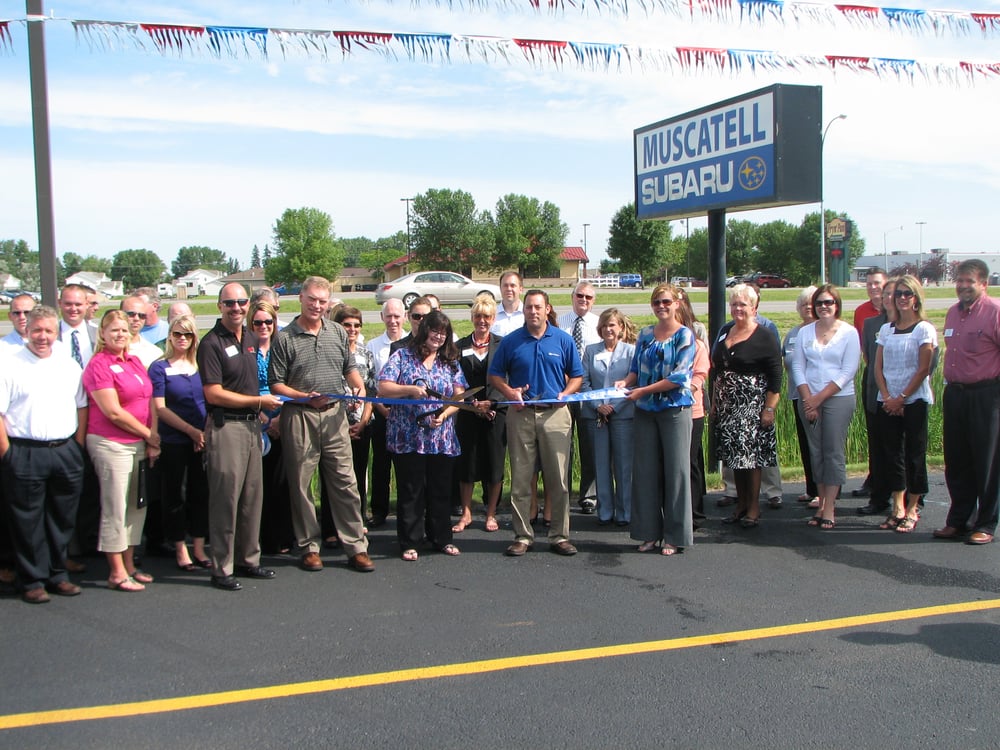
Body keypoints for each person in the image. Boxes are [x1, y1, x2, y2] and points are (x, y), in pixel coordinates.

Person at [268, 276, 374, 573]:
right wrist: (302, 398)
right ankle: (309, 547)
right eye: (312, 299)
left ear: (329, 303)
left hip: (334, 416)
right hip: (299, 417)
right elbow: (275, 384)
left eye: (322, 301)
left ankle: (356, 546)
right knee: (302, 485)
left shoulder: (338, 332)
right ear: (300, 298)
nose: (317, 305)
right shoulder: (284, 338)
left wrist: (358, 389)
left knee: (346, 482)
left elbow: (350, 370)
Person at [0, 306, 88, 603]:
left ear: (56, 333)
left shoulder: (68, 365)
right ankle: (32, 580)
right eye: (37, 330)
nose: (42, 336)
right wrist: (8, 455)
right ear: (26, 330)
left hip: (64, 450)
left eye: (49, 331)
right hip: (25, 451)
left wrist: (76, 445)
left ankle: (57, 574)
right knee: (28, 521)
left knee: (62, 518)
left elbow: (82, 406)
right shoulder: (9, 364)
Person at [198, 283, 282, 591]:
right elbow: (213, 392)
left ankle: (250, 559)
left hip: (251, 428)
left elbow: (251, 384)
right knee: (226, 500)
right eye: (229, 302)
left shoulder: (249, 338)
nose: (236, 307)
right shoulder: (211, 343)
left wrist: (258, 408)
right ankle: (222, 568)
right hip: (227, 427)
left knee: (251, 498)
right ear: (220, 306)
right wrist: (257, 403)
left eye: (241, 302)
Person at [489, 289, 583, 557]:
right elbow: (495, 376)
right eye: (529, 307)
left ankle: (559, 535)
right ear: (525, 310)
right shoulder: (511, 342)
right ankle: (522, 535)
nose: (533, 311)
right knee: (520, 478)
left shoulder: (563, 340)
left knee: (559, 479)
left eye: (538, 307)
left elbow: (577, 375)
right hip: (521, 415)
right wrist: (510, 392)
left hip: (556, 415)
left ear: (547, 309)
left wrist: (567, 392)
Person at [378, 309, 468, 560]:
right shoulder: (403, 356)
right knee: (411, 490)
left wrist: (445, 413)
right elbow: (383, 386)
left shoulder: (449, 361)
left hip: (441, 437)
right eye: (434, 330)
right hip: (408, 436)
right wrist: (410, 390)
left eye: (443, 333)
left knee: (440, 490)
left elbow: (459, 396)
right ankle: (410, 541)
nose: (438, 337)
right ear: (424, 330)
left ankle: (441, 538)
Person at [82, 310, 160, 592]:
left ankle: (129, 565)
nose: (120, 335)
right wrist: (149, 435)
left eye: (124, 330)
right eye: (114, 330)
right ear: (102, 333)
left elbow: (149, 399)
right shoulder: (98, 365)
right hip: (110, 443)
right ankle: (116, 572)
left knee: (135, 507)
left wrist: (151, 439)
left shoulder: (135, 361)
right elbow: (113, 412)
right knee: (115, 508)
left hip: (139, 443)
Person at [617, 285, 695, 553]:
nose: (661, 306)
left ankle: (674, 536)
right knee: (645, 473)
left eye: (665, 301)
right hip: (645, 412)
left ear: (676, 303)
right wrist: (625, 382)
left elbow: (679, 377)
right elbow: (636, 369)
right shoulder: (645, 334)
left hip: (675, 411)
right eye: (656, 302)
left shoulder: (685, 335)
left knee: (676, 473)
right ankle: (648, 532)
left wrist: (643, 391)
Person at [934, 259, 1000, 545]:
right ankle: (958, 520)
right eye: (959, 280)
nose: (962, 286)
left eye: (969, 281)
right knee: (957, 460)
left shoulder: (994, 313)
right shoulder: (952, 313)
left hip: (986, 396)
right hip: (956, 395)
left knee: (986, 462)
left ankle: (985, 523)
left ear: (983, 284)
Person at [711, 283, 782, 529]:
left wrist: (769, 408)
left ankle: (753, 508)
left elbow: (776, 377)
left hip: (752, 407)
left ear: (754, 307)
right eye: (734, 304)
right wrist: (714, 403)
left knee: (750, 460)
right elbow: (717, 370)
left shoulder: (765, 335)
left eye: (743, 304)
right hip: (727, 406)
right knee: (734, 459)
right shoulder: (726, 331)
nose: (738, 308)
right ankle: (740, 505)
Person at [790, 285, 861, 531]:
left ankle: (830, 506)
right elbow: (798, 367)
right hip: (808, 398)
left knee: (832, 451)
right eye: (819, 302)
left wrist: (819, 399)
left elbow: (848, 371)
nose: (823, 307)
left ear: (837, 305)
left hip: (837, 398)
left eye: (828, 302)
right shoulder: (805, 333)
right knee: (816, 451)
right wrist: (808, 399)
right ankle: (820, 502)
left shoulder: (849, 333)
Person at [873, 275, 936, 534]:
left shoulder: (924, 329)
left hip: (914, 400)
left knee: (914, 453)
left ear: (916, 297)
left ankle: (912, 507)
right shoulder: (887, 330)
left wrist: (903, 397)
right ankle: (897, 506)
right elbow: (877, 367)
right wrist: (888, 396)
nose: (901, 299)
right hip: (888, 401)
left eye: (907, 294)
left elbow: (923, 368)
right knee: (892, 454)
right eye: (898, 294)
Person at [148, 314, 211, 570]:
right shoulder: (159, 367)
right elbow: (160, 408)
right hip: (174, 440)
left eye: (187, 334)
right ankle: (180, 547)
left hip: (202, 439)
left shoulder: (200, 366)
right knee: (175, 494)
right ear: (169, 337)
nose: (182, 339)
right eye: (177, 334)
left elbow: (209, 400)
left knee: (201, 493)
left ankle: (198, 546)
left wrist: (202, 432)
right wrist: (190, 431)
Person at [320, 305, 375, 546]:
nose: (352, 329)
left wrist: (362, 423)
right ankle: (330, 528)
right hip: (333, 425)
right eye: (347, 324)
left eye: (356, 325)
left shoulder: (366, 354)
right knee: (332, 477)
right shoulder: (329, 352)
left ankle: (357, 522)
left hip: (360, 425)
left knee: (357, 476)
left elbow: (371, 393)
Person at [453, 295, 506, 533]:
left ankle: (491, 513)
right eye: (477, 316)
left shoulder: (502, 345)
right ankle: (466, 513)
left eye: (486, 316)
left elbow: (507, 378)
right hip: (467, 413)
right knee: (467, 464)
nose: (481, 321)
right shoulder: (459, 346)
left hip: (496, 414)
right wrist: (473, 403)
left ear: (493, 319)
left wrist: (491, 404)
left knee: (494, 464)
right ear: (472, 318)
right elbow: (456, 380)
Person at [581, 308, 636, 527]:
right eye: (604, 325)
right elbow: (584, 382)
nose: (608, 329)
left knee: (623, 466)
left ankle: (625, 512)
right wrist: (598, 406)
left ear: (621, 328)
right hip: (597, 416)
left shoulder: (631, 351)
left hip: (623, 414)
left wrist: (614, 406)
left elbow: (635, 383)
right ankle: (605, 511)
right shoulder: (591, 351)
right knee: (601, 464)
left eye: (612, 325)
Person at [250, 300, 294, 555]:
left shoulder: (282, 347)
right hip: (253, 421)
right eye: (258, 322)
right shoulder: (246, 350)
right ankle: (259, 538)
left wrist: (279, 419)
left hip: (284, 418)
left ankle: (283, 536)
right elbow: (239, 384)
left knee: (283, 481)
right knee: (259, 483)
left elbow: (294, 382)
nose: (264, 326)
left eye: (269, 322)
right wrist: (260, 416)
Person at [558, 281, 600, 514]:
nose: (583, 300)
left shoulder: (598, 324)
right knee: (563, 444)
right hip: (563, 390)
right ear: (572, 296)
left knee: (589, 444)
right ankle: (561, 492)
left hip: (588, 391)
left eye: (588, 297)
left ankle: (589, 495)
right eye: (580, 296)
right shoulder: (559, 323)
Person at [857, 278, 897, 516]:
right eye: (886, 294)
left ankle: (911, 498)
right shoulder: (871, 325)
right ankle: (879, 497)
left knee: (902, 450)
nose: (889, 298)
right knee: (878, 446)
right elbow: (869, 358)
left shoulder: (917, 325)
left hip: (904, 397)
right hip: (875, 391)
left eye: (894, 294)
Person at [366, 298, 407, 527]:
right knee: (381, 464)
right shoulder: (372, 346)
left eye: (397, 316)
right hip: (381, 412)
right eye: (388, 316)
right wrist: (381, 409)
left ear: (404, 316)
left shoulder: (413, 343)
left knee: (405, 466)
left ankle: (405, 510)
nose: (393, 321)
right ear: (382, 317)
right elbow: (371, 384)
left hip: (406, 415)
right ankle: (379, 511)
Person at [852, 268, 888, 501]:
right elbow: (863, 347)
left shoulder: (897, 310)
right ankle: (874, 477)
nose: (873, 287)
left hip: (893, 379)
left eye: (877, 283)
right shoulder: (862, 312)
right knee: (874, 431)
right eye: (869, 284)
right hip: (871, 374)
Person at [782, 286, 819, 508]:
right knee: (805, 443)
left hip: (818, 396)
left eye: (811, 303)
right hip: (797, 394)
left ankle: (824, 490)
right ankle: (810, 487)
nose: (807, 307)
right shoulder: (793, 333)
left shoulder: (820, 331)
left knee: (820, 445)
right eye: (803, 304)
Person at [676, 294, 710, 521]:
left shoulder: (696, 343)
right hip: (666, 411)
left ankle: (694, 511)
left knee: (690, 460)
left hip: (692, 409)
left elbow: (699, 376)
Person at [59, 283, 97, 369]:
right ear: (60, 303)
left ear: (87, 304)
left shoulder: (99, 335)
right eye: (68, 304)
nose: (73, 309)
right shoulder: (50, 335)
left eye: (78, 304)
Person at [121, 295, 165, 367]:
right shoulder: (107, 348)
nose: (137, 319)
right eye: (131, 314)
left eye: (142, 315)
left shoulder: (155, 353)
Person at [491, 270, 525, 336]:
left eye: (513, 285)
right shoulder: (491, 315)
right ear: (500, 288)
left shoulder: (528, 315)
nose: (509, 289)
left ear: (521, 289)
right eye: (505, 285)